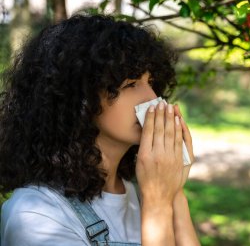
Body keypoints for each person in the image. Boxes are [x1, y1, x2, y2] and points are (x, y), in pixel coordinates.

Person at [0, 14, 200, 246]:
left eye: (152, 82)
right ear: (79, 99)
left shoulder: (138, 194)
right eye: (130, 84)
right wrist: (157, 204)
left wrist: (174, 192)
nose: (153, 98)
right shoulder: (36, 216)